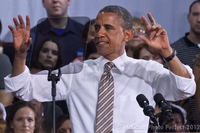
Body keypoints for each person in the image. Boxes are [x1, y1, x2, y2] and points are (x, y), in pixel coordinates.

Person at [5, 5, 195, 133]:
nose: (99, 33)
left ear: (127, 34)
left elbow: (185, 87)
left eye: (108, 27)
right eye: (97, 28)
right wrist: (21, 55)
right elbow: (24, 88)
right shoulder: (76, 71)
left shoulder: (147, 71)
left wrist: (167, 52)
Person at [27, 0, 86, 66]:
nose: (55, 0)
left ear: (68, 1)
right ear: (43, 2)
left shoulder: (85, 33)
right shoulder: (31, 36)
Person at [170, 1, 200, 130]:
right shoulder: (173, 51)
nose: (199, 19)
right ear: (189, 17)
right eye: (196, 14)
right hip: (185, 124)